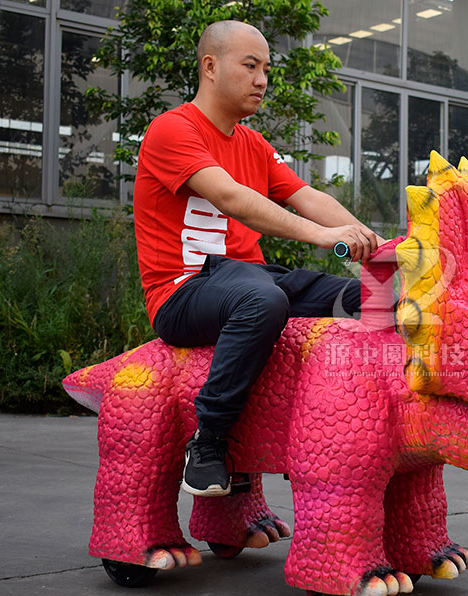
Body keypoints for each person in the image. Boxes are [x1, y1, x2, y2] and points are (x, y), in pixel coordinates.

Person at [132, 20, 382, 497]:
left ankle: (333, 427)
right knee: (263, 301)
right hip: (184, 291)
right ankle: (208, 443)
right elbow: (232, 197)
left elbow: (307, 195)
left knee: (367, 297)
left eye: (266, 68)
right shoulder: (172, 130)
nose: (263, 80)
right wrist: (326, 237)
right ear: (210, 66)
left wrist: (376, 250)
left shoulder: (252, 143)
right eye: (250, 66)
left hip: (252, 279)